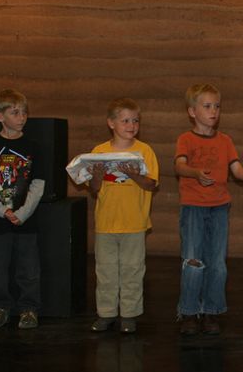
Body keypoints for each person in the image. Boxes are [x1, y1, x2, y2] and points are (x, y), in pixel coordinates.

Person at [175, 83, 243, 336]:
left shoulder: (225, 141)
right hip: (193, 207)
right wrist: (195, 172)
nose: (213, 111)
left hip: (219, 208)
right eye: (207, 106)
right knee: (193, 261)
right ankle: (189, 311)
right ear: (192, 112)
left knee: (217, 263)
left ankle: (212, 311)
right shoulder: (186, 139)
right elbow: (180, 166)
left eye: (217, 106)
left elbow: (236, 169)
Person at [0, 89, 45, 329]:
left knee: (28, 269)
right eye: (15, 112)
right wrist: (0, 210)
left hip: (26, 220)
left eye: (24, 112)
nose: (21, 117)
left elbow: (38, 184)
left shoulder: (33, 146)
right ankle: (1, 307)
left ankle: (29, 309)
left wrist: (23, 212)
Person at [89, 98, 159, 334]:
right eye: (125, 120)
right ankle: (106, 314)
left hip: (134, 223)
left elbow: (151, 185)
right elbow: (94, 188)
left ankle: (129, 315)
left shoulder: (144, 151)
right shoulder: (99, 151)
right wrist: (97, 175)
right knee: (106, 271)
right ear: (111, 123)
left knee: (132, 270)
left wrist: (134, 174)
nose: (131, 125)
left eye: (135, 120)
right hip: (106, 224)